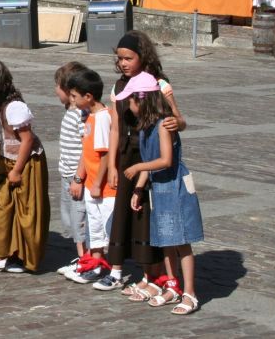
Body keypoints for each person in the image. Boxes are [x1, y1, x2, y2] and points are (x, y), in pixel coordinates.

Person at [100, 31, 187, 297]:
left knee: (148, 215)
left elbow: (178, 120)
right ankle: (146, 273)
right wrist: (113, 165)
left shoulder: (158, 83)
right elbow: (115, 127)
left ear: (142, 56)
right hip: (127, 156)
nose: (124, 63)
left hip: (149, 155)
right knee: (129, 214)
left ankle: (158, 274)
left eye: (129, 58)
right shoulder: (119, 85)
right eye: (120, 59)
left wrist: (178, 123)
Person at [117, 72, 203, 315]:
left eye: (131, 101)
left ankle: (190, 292)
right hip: (159, 188)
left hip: (174, 187)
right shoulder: (145, 127)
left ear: (141, 101)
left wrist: (138, 168)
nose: (129, 106)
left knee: (181, 242)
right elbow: (150, 159)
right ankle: (173, 283)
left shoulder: (164, 125)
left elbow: (164, 160)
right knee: (166, 239)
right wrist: (139, 188)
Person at [0, 59, 50, 273]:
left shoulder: (14, 107)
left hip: (25, 163)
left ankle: (22, 257)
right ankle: (3, 251)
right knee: (0, 206)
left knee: (26, 211)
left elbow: (26, 140)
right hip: (6, 161)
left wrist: (16, 170)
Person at [65, 68, 115, 284]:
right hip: (91, 184)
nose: (72, 100)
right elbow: (87, 152)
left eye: (75, 96)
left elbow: (104, 155)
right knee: (93, 228)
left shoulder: (102, 118)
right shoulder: (90, 117)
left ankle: (113, 268)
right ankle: (95, 264)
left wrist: (96, 183)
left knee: (107, 229)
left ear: (88, 96)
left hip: (103, 188)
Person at [53, 61, 89, 275]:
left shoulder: (81, 114)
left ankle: (87, 260)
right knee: (71, 220)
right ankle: (82, 257)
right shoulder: (71, 110)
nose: (55, 90)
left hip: (77, 177)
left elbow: (87, 147)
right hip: (67, 175)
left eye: (57, 86)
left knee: (80, 220)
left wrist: (78, 178)